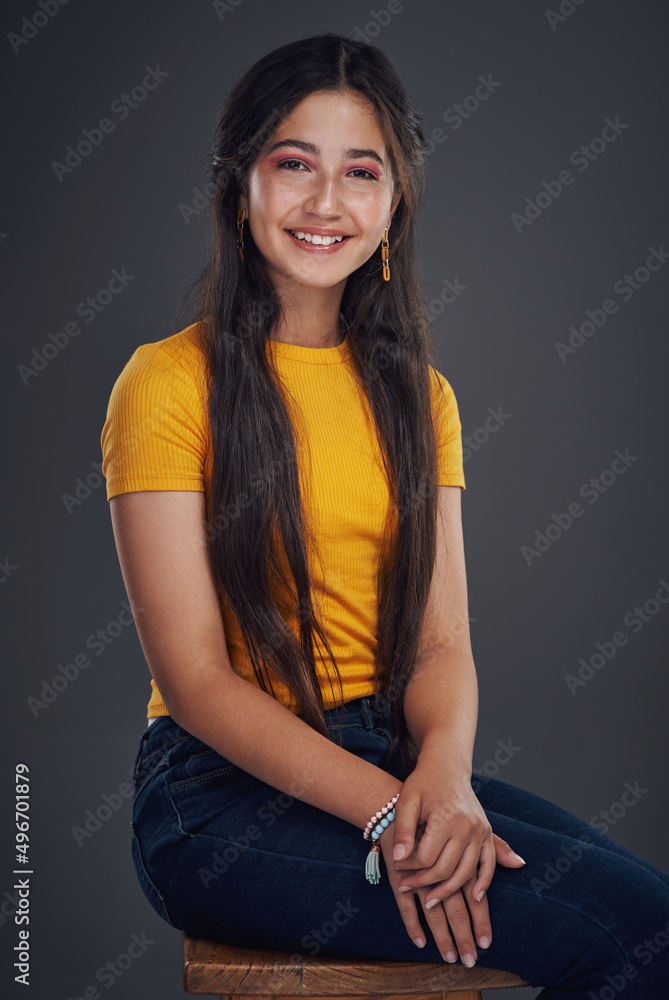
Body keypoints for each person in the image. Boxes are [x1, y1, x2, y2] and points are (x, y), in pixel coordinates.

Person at [100, 30, 669, 998]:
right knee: (604, 938)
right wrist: (386, 818)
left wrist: (440, 782)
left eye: (361, 172)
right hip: (215, 800)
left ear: (395, 200)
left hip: (392, 764)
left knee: (648, 926)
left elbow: (441, 643)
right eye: (293, 165)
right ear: (239, 188)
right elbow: (193, 679)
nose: (327, 203)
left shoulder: (424, 399)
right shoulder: (165, 383)